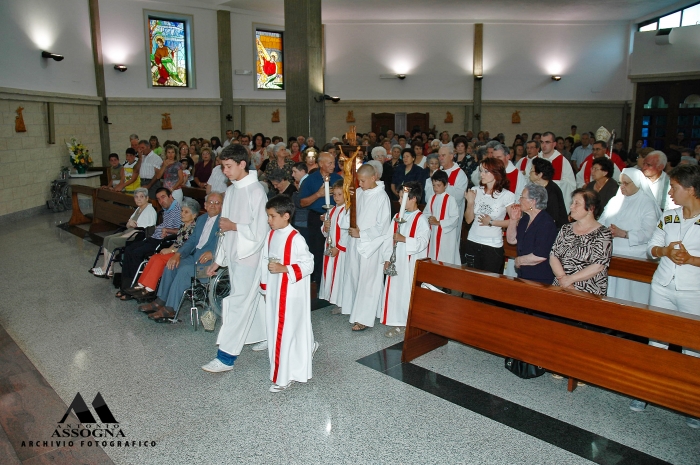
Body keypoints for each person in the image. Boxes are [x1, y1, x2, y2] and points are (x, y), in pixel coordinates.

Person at [627, 165, 700, 428]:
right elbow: (651, 248)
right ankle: (646, 391)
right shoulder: (669, 216)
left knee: (693, 347)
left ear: (690, 190)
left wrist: (691, 259)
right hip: (662, 286)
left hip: (694, 291)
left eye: (675, 187)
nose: (670, 192)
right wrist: (664, 251)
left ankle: (693, 403)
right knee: (657, 341)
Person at [202, 144, 269, 373]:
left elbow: (261, 231)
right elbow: (223, 229)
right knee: (256, 298)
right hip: (234, 255)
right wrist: (219, 259)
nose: (225, 172)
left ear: (242, 164)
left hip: (250, 255)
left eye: (229, 166)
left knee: (238, 303)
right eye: (222, 167)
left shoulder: (256, 191)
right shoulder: (230, 191)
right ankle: (268, 335)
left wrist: (235, 226)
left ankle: (226, 357)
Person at [258, 195, 318, 392]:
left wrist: (285, 269)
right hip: (275, 292)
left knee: (286, 333)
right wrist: (265, 287)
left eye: (272, 216)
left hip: (291, 294)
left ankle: (285, 376)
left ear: (286, 216)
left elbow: (309, 264)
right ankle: (289, 366)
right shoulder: (271, 235)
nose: (269, 220)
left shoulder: (296, 239)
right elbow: (264, 260)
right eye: (268, 216)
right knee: (278, 332)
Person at [138, 193, 223, 319]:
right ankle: (160, 301)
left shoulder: (224, 222)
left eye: (217, 203)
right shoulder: (201, 219)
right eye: (210, 202)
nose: (213, 205)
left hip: (211, 265)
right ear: (205, 205)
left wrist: (214, 253)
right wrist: (177, 254)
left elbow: (229, 244)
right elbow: (192, 241)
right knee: (171, 264)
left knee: (184, 271)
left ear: (222, 206)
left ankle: (170, 308)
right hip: (195, 258)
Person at [341, 164, 391, 331]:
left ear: (373, 178)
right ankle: (358, 310)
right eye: (358, 181)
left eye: (362, 181)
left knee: (368, 282)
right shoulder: (360, 192)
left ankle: (363, 319)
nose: (360, 184)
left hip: (372, 245)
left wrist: (361, 234)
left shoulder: (382, 197)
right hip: (355, 242)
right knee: (355, 276)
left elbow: (382, 226)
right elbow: (351, 214)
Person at [598, 168, 660, 304]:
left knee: (629, 297)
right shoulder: (615, 200)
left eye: (626, 183)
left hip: (634, 257)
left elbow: (649, 233)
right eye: (620, 183)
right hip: (611, 253)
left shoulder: (646, 203)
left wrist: (624, 233)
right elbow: (601, 222)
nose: (622, 187)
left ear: (637, 183)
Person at [123, 198, 200, 303]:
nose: (182, 214)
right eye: (182, 211)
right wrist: (169, 248)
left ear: (194, 215)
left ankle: (149, 289)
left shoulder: (194, 228)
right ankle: (141, 285)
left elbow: (186, 246)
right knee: (155, 257)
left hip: (183, 255)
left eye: (186, 212)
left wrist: (171, 251)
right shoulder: (183, 225)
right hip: (175, 251)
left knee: (160, 260)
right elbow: (177, 242)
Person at [380, 181, 430, 338]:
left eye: (403, 198)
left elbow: (423, 242)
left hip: (410, 263)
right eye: (399, 197)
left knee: (405, 292)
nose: (400, 201)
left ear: (413, 198)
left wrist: (404, 239)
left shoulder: (421, 219)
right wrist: (387, 258)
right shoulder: (397, 216)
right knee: (394, 291)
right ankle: (395, 320)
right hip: (396, 262)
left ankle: (404, 322)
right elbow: (388, 238)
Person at [116, 188, 182, 300]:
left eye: (163, 197)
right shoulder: (167, 209)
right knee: (129, 249)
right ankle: (126, 287)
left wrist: (168, 230)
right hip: (154, 237)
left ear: (170, 196)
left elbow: (181, 230)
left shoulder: (178, 210)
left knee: (136, 253)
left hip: (162, 241)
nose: (161, 201)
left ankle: (134, 287)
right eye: (158, 199)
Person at [550, 189, 612, 295]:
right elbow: (553, 256)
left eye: (576, 203)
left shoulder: (603, 233)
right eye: (572, 202)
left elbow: (598, 266)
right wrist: (565, 280)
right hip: (561, 285)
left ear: (591, 208)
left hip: (589, 290)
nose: (571, 207)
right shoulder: (566, 228)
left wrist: (571, 279)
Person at [298, 153, 342, 287]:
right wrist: (319, 194)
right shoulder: (310, 180)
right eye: (329, 163)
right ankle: (316, 282)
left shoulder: (337, 178)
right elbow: (302, 203)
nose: (333, 166)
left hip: (335, 217)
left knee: (334, 247)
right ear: (321, 164)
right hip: (316, 217)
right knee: (316, 250)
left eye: (333, 163)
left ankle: (332, 281)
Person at [464, 158, 515, 273]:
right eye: (481, 170)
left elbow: (514, 221)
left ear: (496, 173)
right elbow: (468, 220)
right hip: (473, 240)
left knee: (489, 282)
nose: (481, 174)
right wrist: (470, 203)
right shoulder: (475, 190)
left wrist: (492, 222)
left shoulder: (507, 195)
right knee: (472, 281)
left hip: (492, 245)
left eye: (486, 171)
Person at [91, 187, 157, 277]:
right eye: (136, 197)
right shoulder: (138, 209)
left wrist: (124, 235)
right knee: (107, 238)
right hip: (128, 232)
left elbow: (141, 231)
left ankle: (109, 269)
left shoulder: (150, 211)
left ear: (147, 198)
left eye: (141, 197)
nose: (138, 199)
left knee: (113, 241)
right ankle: (104, 267)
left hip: (136, 237)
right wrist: (129, 224)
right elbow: (128, 224)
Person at [505, 184, 558, 284]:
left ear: (533, 202)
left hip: (539, 277)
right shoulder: (525, 219)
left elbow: (540, 255)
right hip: (523, 273)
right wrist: (513, 220)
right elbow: (511, 240)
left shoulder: (546, 223)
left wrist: (519, 260)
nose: (519, 200)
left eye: (522, 197)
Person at [319, 180, 348, 311]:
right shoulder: (331, 210)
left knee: (340, 275)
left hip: (341, 250)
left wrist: (339, 247)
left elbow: (347, 232)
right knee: (331, 274)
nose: (336, 197)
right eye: (334, 195)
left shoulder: (348, 211)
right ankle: (334, 299)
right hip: (330, 247)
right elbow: (325, 233)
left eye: (339, 194)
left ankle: (342, 302)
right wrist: (325, 227)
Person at [424, 170, 460, 265]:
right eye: (434, 185)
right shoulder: (432, 198)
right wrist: (429, 218)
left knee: (445, 259)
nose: (435, 188)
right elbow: (426, 213)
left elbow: (455, 219)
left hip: (445, 237)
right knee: (432, 257)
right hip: (433, 233)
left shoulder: (450, 200)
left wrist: (439, 222)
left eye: (438, 185)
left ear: (446, 185)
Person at [540, 132, 576, 212]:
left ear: (554, 144)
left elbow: (570, 184)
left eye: (547, 142)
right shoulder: (536, 159)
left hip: (554, 202)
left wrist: (550, 184)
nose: (544, 145)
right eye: (542, 142)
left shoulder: (562, 161)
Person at [529, 158, 569, 229]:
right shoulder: (540, 188)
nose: (529, 173)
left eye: (531, 171)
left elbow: (552, 218)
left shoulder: (552, 191)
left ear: (540, 175)